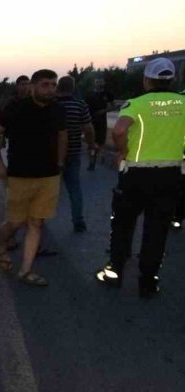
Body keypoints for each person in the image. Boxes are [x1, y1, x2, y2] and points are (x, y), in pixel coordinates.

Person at [95, 58, 185, 297]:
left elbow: (119, 129)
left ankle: (114, 273)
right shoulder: (183, 103)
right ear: (172, 79)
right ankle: (148, 281)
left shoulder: (136, 104)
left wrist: (123, 151)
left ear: (146, 80)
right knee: (157, 230)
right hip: (171, 175)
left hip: (136, 174)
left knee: (123, 224)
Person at [0, 69, 67, 287]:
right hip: (20, 175)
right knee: (15, 222)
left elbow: (63, 134)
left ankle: (26, 270)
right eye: (45, 85)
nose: (50, 89)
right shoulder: (16, 109)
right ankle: (0, 245)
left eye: (53, 85)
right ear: (33, 86)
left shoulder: (58, 110)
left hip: (49, 175)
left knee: (36, 222)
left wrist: (60, 162)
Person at [55, 76, 97, 232]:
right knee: (74, 188)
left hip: (52, 153)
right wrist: (91, 146)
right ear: (73, 88)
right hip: (73, 151)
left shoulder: (52, 104)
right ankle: (78, 221)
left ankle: (39, 221)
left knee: (49, 189)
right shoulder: (80, 105)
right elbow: (88, 129)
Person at [85, 77, 115, 171]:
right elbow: (84, 107)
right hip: (90, 121)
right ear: (94, 82)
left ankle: (99, 157)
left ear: (104, 82)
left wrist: (104, 111)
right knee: (91, 143)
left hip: (102, 121)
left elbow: (113, 106)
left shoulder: (108, 94)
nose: (99, 83)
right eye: (97, 81)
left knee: (101, 142)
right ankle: (92, 162)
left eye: (101, 81)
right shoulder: (89, 94)